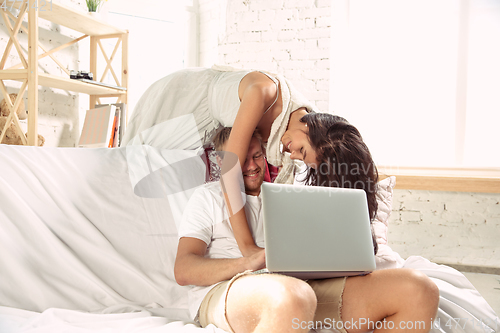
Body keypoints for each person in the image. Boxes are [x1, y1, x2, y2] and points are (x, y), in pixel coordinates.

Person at [174, 127, 440, 333]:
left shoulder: (286, 194)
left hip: (302, 290)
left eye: (256, 156)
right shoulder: (207, 198)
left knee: (417, 288)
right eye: (242, 160)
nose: (252, 166)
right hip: (228, 292)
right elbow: (184, 270)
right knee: (292, 296)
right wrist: (248, 262)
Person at [121, 66, 351, 262]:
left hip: (209, 127)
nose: (292, 156)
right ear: (310, 128)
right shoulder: (264, 92)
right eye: (301, 151)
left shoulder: (304, 122)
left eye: (300, 157)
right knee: (131, 160)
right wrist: (248, 249)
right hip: (186, 101)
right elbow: (230, 174)